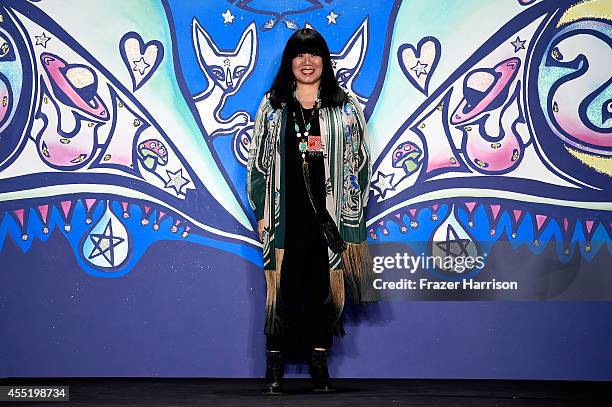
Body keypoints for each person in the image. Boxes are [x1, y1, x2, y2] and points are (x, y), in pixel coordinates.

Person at [246, 27, 379, 395]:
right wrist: (260, 211)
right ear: (290, 61)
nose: (307, 62)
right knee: (283, 293)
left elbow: (362, 161)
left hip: (330, 220)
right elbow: (257, 165)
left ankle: (320, 366)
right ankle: (274, 368)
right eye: (299, 55)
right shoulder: (272, 106)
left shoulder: (345, 106)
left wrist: (352, 210)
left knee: (324, 293)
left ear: (325, 60)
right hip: (283, 218)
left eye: (314, 54)